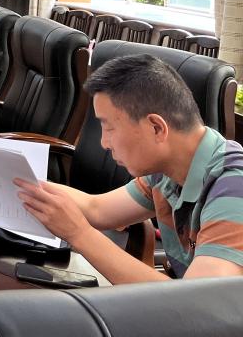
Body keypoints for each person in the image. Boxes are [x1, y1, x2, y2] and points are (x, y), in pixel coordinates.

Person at [15, 55, 243, 284]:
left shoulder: (234, 188)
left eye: (109, 128)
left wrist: (78, 234)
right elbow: (97, 209)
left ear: (156, 128)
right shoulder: (166, 172)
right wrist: (18, 181)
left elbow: (198, 300)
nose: (104, 142)